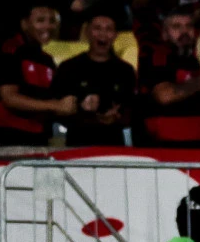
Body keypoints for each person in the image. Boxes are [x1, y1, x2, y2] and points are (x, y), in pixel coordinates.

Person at [0, 0, 76, 146]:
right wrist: (55, 106)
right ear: (24, 24)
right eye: (40, 20)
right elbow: (10, 98)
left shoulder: (47, 60)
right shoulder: (8, 50)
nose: (48, 26)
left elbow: (58, 102)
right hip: (2, 136)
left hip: (36, 137)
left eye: (52, 21)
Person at [137, 8, 200, 147]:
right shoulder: (155, 58)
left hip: (197, 152)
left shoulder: (194, 62)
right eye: (176, 27)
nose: (184, 31)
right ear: (165, 34)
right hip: (162, 155)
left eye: (188, 26)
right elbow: (164, 96)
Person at [50, 12, 137, 147]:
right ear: (87, 32)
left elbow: (132, 111)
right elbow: (56, 110)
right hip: (77, 145)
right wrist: (86, 114)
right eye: (97, 28)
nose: (103, 34)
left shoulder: (125, 70)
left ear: (115, 35)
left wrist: (116, 117)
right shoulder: (69, 67)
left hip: (114, 146)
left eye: (109, 29)